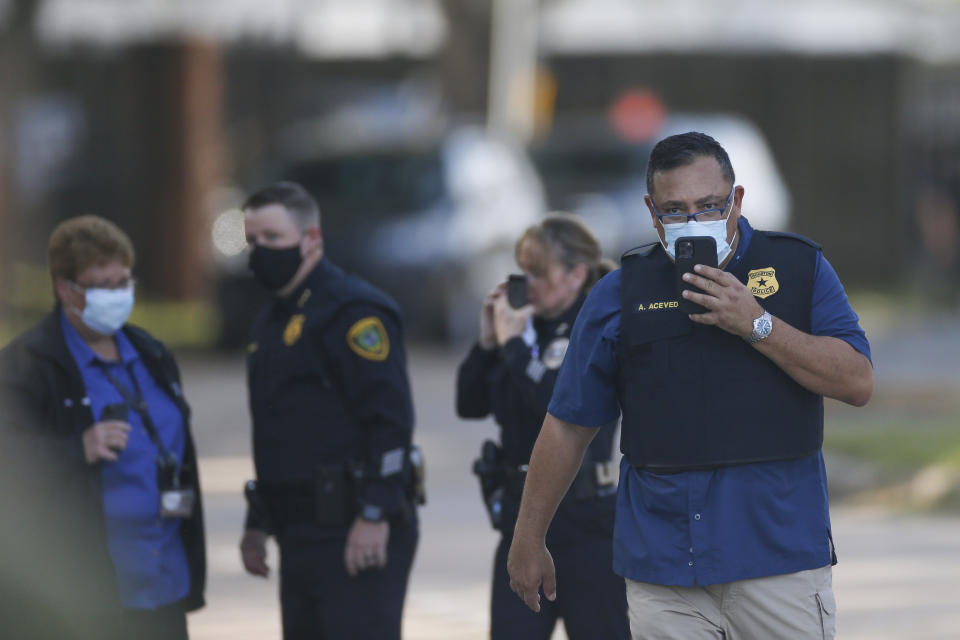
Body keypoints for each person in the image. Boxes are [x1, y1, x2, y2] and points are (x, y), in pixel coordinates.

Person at [506, 132, 874, 640]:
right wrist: (529, 536)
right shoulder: (619, 293)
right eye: (675, 211)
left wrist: (756, 324)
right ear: (652, 214)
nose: (692, 221)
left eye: (708, 206)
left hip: (778, 562)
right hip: (665, 570)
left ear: (737, 201)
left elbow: (857, 380)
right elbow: (568, 425)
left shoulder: (799, 268)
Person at [0, 215, 206, 640]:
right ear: (65, 289)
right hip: (82, 596)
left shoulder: (150, 354)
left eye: (123, 282)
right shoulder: (27, 366)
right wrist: (78, 447)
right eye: (103, 286)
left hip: (162, 581)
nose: (118, 294)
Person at [238, 181, 420, 640]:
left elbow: (391, 421)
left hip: (354, 529)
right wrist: (258, 520)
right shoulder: (270, 322)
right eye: (252, 241)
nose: (261, 251)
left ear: (311, 239)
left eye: (273, 239)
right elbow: (280, 432)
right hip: (299, 532)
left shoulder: (353, 313)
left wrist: (375, 514)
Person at [457, 213, 629, 640]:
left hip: (588, 520)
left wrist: (516, 348)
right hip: (523, 518)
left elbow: (559, 407)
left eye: (539, 272)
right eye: (522, 271)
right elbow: (468, 404)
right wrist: (488, 343)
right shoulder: (520, 324)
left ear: (576, 274)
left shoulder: (596, 327)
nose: (527, 283)